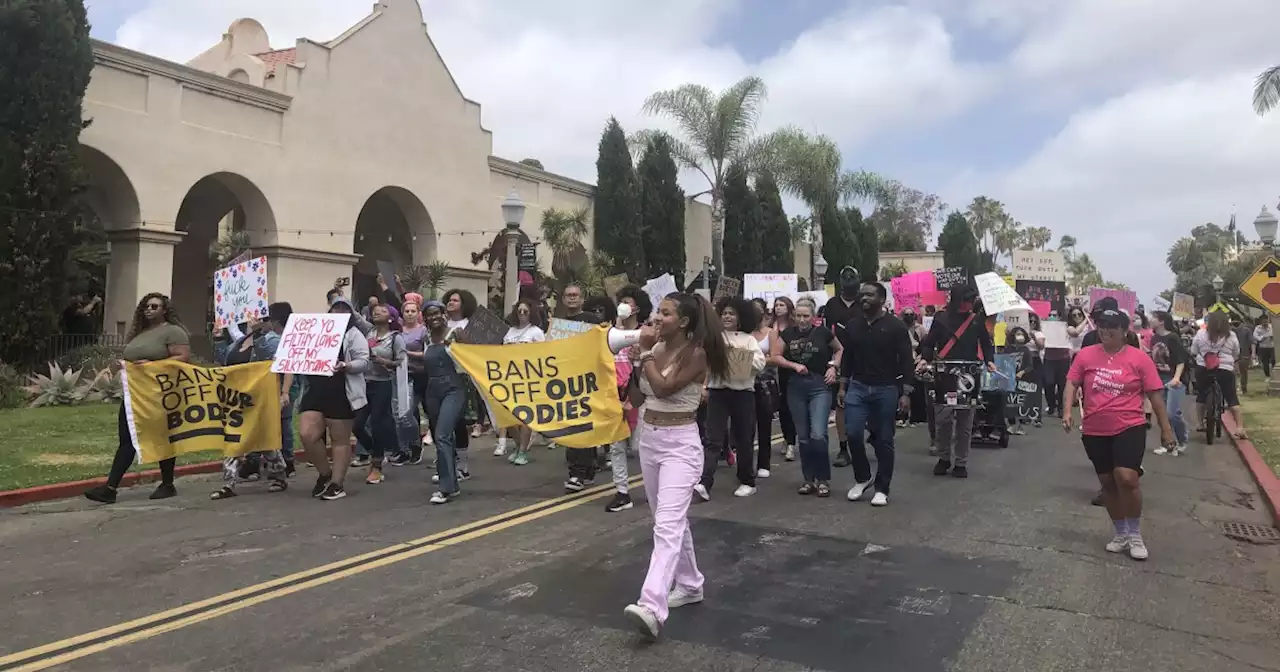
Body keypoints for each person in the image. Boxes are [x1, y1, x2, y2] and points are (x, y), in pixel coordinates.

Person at [623, 293, 728, 641]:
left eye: (664, 313)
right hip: (650, 440)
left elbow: (666, 389)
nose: (656, 318)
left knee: (666, 526)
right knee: (669, 521)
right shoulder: (653, 352)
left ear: (683, 322)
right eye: (657, 312)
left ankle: (652, 605)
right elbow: (638, 398)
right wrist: (636, 363)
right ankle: (691, 584)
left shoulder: (697, 354)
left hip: (680, 444)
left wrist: (647, 355)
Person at [1063, 305, 1176, 561]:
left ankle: (1135, 534)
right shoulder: (1086, 355)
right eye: (1102, 326)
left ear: (1125, 331)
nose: (1105, 331)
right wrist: (1067, 411)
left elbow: (1155, 397)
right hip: (1094, 428)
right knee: (1108, 484)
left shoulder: (1139, 358)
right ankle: (1121, 532)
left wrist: (1166, 430)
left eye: (1112, 328)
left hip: (1129, 425)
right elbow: (1072, 382)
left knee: (1126, 478)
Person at [83, 294, 191, 504]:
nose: (148, 309)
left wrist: (150, 365)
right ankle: (110, 489)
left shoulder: (173, 332)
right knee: (127, 439)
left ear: (164, 310)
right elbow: (133, 360)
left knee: (162, 437)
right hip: (135, 393)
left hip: (159, 394)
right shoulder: (140, 333)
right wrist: (119, 364)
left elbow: (182, 358)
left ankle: (167, 484)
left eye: (154, 306)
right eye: (146, 306)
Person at [209, 304, 298, 499]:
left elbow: (281, 363)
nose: (252, 320)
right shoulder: (240, 341)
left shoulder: (271, 340)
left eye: (258, 319)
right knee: (233, 438)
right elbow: (224, 361)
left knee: (265, 439)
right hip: (237, 398)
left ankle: (279, 474)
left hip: (261, 397)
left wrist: (284, 393)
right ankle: (229, 483)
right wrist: (217, 339)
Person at [839, 282, 915, 506]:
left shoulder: (896, 327)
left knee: (884, 439)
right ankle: (863, 478)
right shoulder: (853, 326)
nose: (864, 298)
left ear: (881, 299)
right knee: (852, 433)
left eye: (869, 295)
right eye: (862, 295)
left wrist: (906, 393)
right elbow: (847, 358)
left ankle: (882, 488)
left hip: (886, 389)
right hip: (858, 387)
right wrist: (843, 386)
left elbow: (907, 361)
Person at [918, 285, 996, 478]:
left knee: (965, 421)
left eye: (971, 301)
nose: (969, 304)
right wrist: (924, 359)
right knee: (943, 418)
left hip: (968, 376)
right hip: (945, 375)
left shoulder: (977, 320)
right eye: (966, 300)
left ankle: (961, 462)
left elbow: (986, 343)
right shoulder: (940, 319)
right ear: (957, 300)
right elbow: (929, 343)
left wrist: (990, 361)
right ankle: (944, 458)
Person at [296, 298, 370, 501]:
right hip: (316, 389)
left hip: (341, 391)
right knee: (307, 434)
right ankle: (325, 473)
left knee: (339, 439)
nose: (338, 312)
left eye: (343, 309)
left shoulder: (354, 335)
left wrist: (346, 366)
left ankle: (337, 483)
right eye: (335, 308)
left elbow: (364, 361)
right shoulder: (317, 331)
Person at [696, 297, 766, 500]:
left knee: (744, 438)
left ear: (741, 317)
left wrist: (741, 359)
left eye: (732, 313)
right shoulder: (714, 338)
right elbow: (705, 363)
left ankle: (747, 480)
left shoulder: (749, 339)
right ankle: (705, 482)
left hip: (743, 392)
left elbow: (760, 364)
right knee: (712, 438)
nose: (727, 316)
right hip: (718, 391)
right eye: (724, 313)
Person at [771, 297, 842, 497]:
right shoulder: (787, 334)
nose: (802, 320)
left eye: (806, 316)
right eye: (798, 316)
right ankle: (808, 479)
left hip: (819, 386)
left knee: (818, 434)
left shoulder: (823, 333)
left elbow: (839, 349)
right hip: (796, 387)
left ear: (813, 317)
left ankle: (823, 479)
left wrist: (833, 367)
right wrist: (793, 365)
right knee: (803, 437)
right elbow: (775, 356)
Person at [605, 287, 651, 513]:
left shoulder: (647, 334)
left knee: (641, 447)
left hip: (639, 397)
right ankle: (622, 491)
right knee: (616, 447)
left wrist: (632, 398)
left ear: (638, 308)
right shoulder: (610, 334)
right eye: (620, 300)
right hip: (614, 397)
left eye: (627, 301)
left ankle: (655, 489)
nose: (623, 305)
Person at [351, 303, 405, 485]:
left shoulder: (395, 338)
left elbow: (401, 362)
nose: (376, 312)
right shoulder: (368, 332)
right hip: (364, 383)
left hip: (383, 384)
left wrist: (383, 361)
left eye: (382, 311)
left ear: (390, 317)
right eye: (374, 311)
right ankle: (377, 451)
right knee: (357, 425)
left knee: (377, 423)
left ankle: (376, 467)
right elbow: (357, 317)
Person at [559, 283, 605, 491]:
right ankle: (586, 470)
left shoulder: (592, 321)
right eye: (568, 295)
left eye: (575, 295)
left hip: (586, 381)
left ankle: (577, 473)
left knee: (582, 425)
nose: (571, 298)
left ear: (582, 299)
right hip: (564, 381)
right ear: (563, 299)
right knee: (571, 426)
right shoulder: (556, 323)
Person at [422, 302, 467, 504]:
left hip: (453, 387)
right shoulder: (427, 339)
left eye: (437, 314)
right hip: (432, 390)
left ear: (444, 315)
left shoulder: (456, 333)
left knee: (442, 435)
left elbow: (474, 352)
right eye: (429, 315)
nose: (434, 318)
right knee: (441, 436)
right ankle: (451, 483)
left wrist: (459, 347)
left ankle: (445, 488)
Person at [820, 266, 862, 468]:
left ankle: (864, 439)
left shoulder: (864, 303)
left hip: (863, 359)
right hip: (839, 359)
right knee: (841, 403)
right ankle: (844, 448)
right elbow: (826, 333)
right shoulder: (832, 305)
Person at [497, 299, 545, 466]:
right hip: (509, 377)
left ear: (531, 313)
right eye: (520, 311)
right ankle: (517, 446)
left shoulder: (536, 332)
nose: (522, 314)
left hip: (528, 378)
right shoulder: (509, 331)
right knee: (508, 414)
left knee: (526, 416)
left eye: (526, 311)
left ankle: (523, 451)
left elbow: (542, 354)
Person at [1191, 312, 1247, 439]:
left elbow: (1194, 350)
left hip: (1204, 368)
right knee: (1231, 397)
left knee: (1201, 395)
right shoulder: (1231, 335)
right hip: (1225, 369)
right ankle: (1239, 427)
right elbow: (1236, 352)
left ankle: (1200, 423)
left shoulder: (1200, 334)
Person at [440, 289, 477, 478]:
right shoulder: (441, 323)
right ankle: (446, 464)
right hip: (439, 377)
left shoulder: (468, 325)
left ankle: (462, 465)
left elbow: (476, 351)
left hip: (460, 376)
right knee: (441, 424)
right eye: (450, 299)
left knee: (458, 423)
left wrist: (464, 340)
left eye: (456, 300)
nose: (451, 302)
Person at [1149, 311, 1189, 456]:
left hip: (1173, 379)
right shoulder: (1154, 338)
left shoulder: (1172, 337)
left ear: (1161, 321)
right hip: (1158, 378)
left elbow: (1180, 360)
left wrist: (1176, 378)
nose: (1150, 319)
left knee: (1172, 413)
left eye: (1153, 317)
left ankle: (1182, 439)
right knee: (1161, 413)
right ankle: (1166, 443)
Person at [750, 300, 778, 479]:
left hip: (766, 382)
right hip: (747, 381)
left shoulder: (771, 334)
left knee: (764, 423)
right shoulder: (744, 334)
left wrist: (754, 359)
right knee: (746, 424)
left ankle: (764, 462)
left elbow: (775, 357)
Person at [771, 296, 798, 461]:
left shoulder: (793, 327)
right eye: (776, 305)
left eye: (782, 305)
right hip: (773, 371)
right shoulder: (770, 326)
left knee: (790, 407)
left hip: (789, 369)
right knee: (780, 407)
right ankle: (787, 437)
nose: (778, 308)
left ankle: (791, 442)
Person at [1232, 315, 1254, 395]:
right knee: (1239, 373)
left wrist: (1253, 354)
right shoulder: (1230, 331)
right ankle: (1240, 388)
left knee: (1241, 373)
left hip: (1242, 355)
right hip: (1238, 355)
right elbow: (1251, 343)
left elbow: (1251, 342)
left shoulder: (1246, 330)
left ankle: (1242, 388)